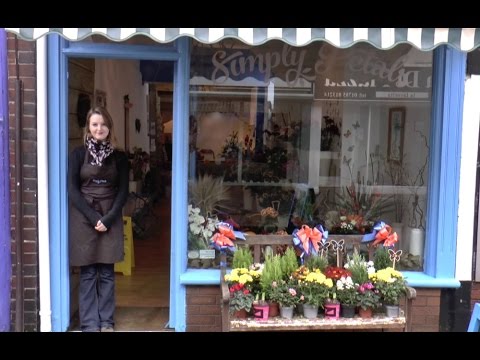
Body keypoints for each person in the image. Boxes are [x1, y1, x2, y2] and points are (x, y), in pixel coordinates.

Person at [68, 106, 129, 332]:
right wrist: (94, 218)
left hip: (110, 214)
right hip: (84, 217)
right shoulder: (77, 154)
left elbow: (123, 191)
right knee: (88, 273)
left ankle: (106, 322)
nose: (99, 128)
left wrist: (109, 218)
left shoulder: (119, 156)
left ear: (109, 126)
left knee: (106, 272)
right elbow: (73, 191)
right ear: (88, 127)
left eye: (103, 124)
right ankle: (90, 324)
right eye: (95, 124)